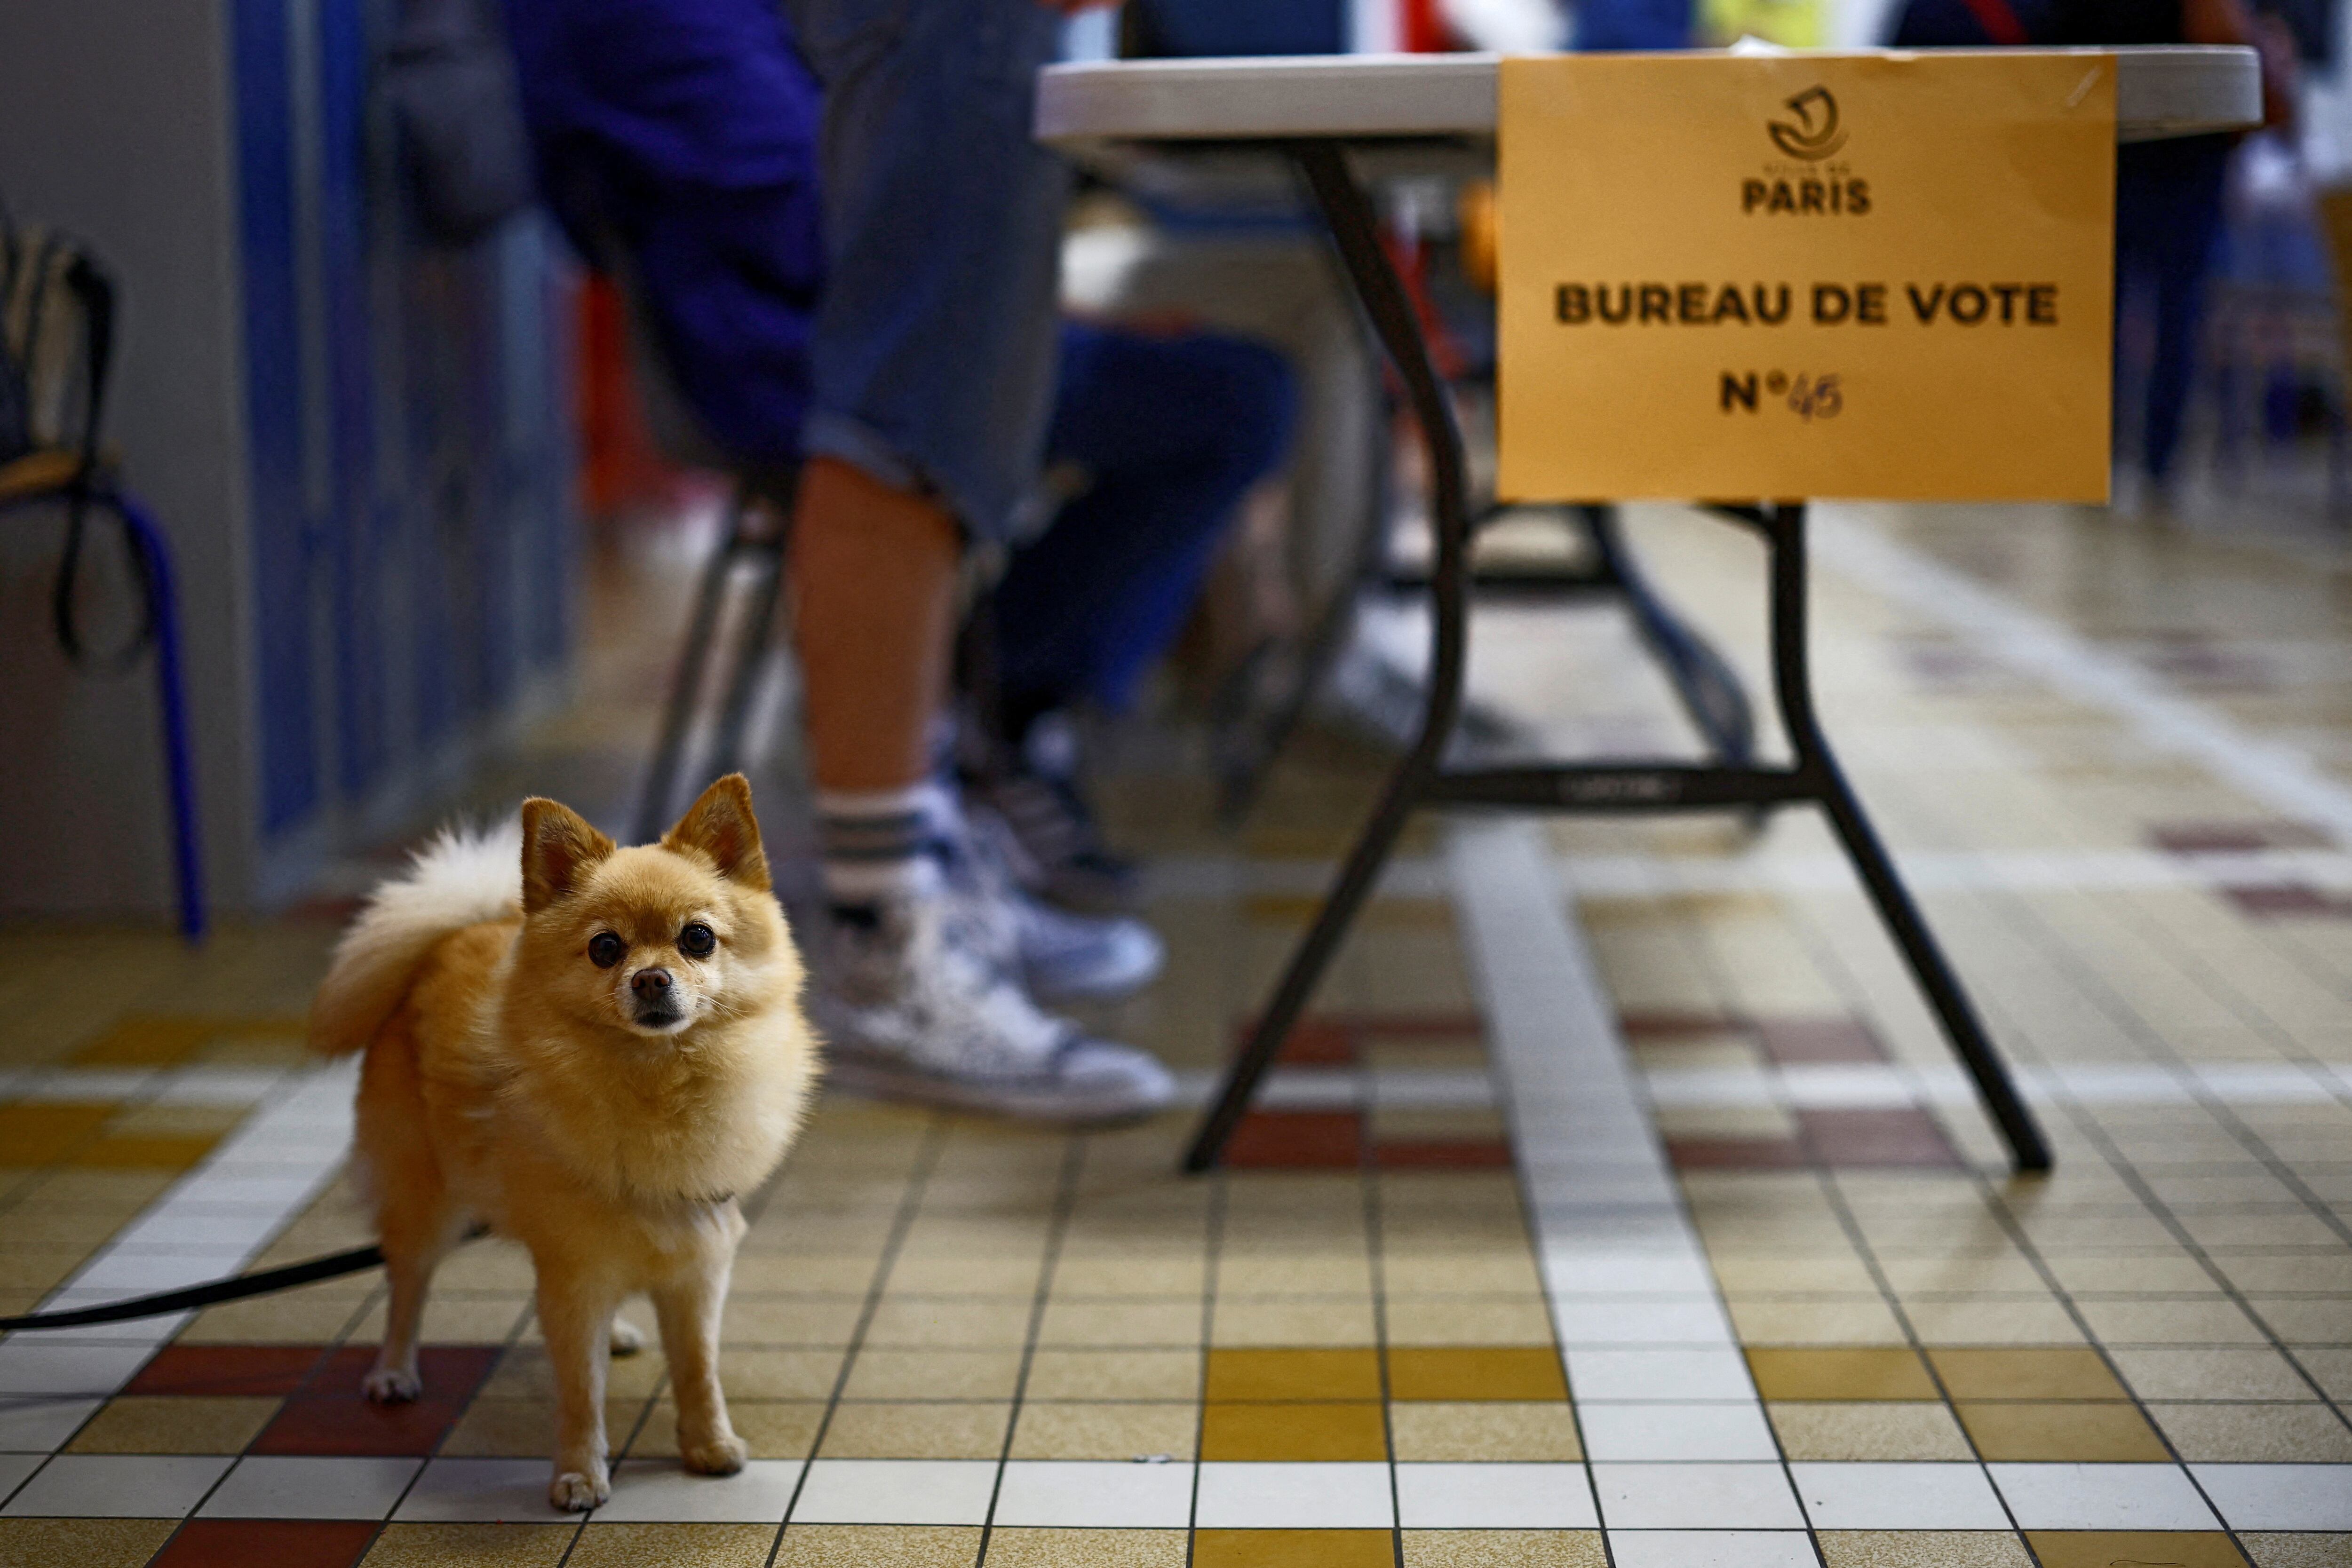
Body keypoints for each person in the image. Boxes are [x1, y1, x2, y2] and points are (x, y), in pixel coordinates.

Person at [506, 0, 1182, 1121]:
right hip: (780, 311)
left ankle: (908, 878)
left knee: (933, 430)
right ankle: (880, 933)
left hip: (910, 90)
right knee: (909, 433)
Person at [1890, 0, 2298, 498]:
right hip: (2178, 153)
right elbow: (2222, 36)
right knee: (2170, 312)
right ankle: (2154, 460)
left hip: (2114, 147)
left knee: (2105, 311)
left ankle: (2100, 455)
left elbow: (2055, 47)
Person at [971, 319, 1297, 916]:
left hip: (904, 318)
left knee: (1252, 385)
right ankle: (1005, 698)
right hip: (850, 340)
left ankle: (1003, 682)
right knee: (1242, 402)